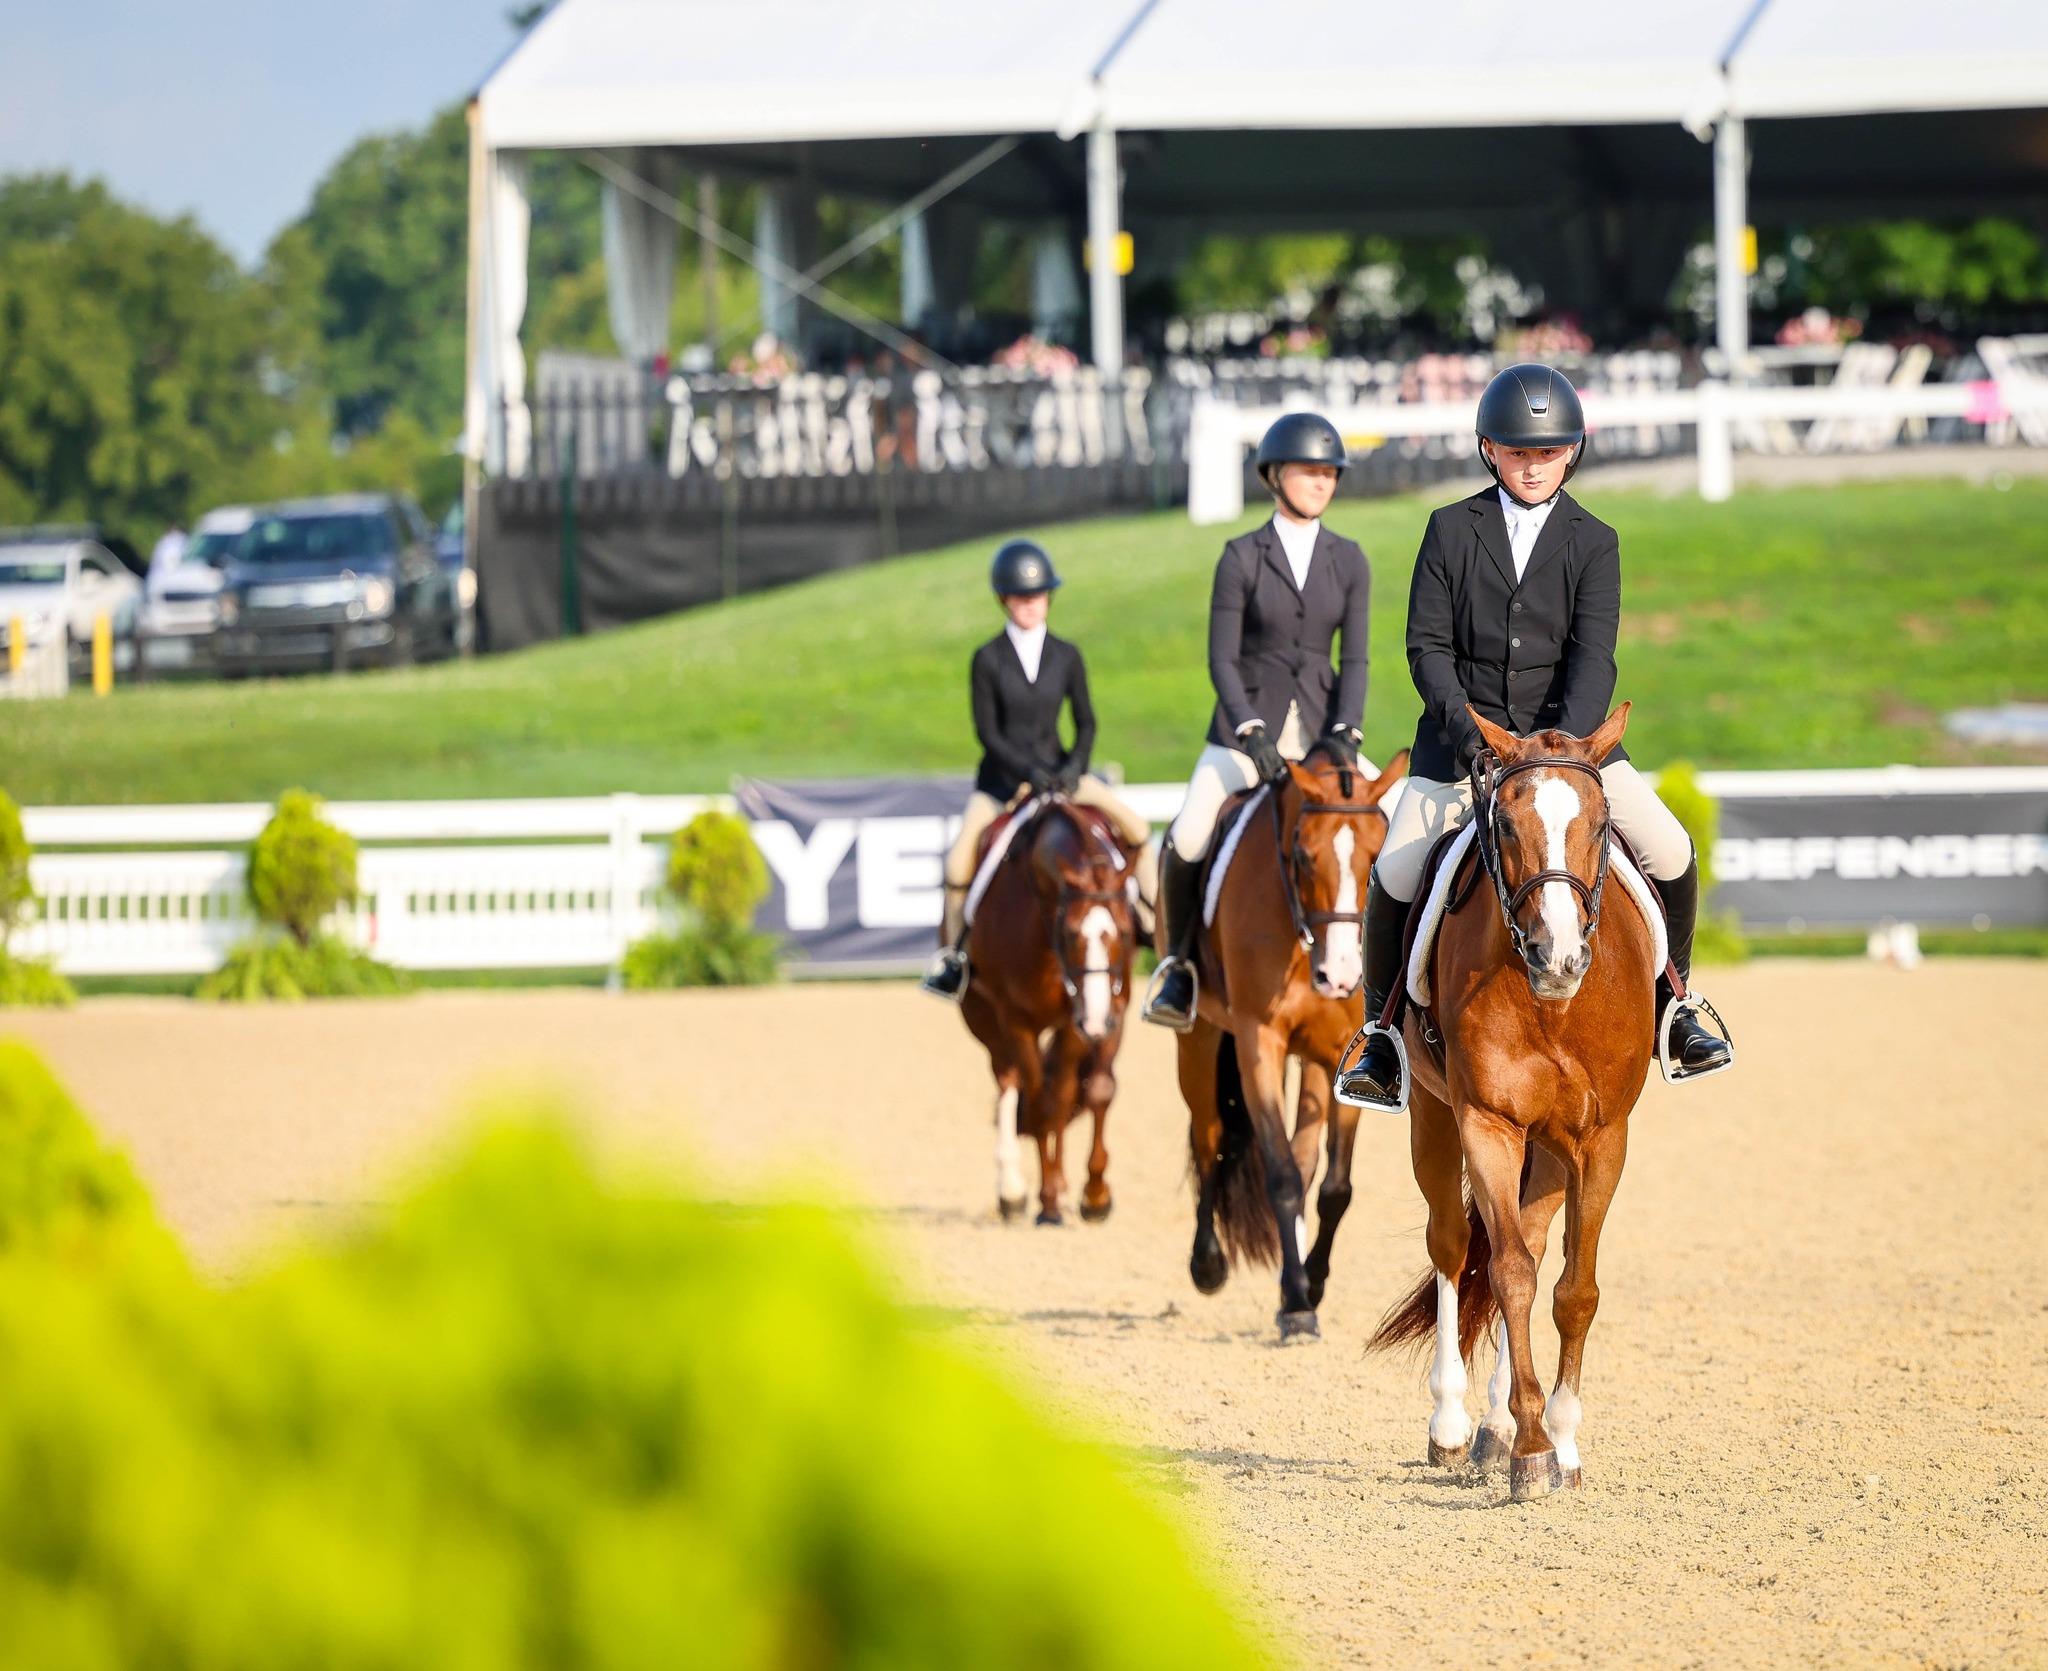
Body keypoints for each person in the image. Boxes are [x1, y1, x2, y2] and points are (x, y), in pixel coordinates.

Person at [1335, 362, 1734, 1109]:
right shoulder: (1451, 529)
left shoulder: (1596, 540)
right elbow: (1427, 649)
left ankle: (1677, 1007)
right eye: (1518, 451)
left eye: (1547, 452)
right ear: (1489, 449)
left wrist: (1565, 752)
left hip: (1574, 750)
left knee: (1673, 850)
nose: (1532, 464)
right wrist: (1475, 737)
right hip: (1463, 750)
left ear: (1572, 452)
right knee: (1394, 872)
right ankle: (1382, 1038)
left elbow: (1595, 657)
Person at [1142, 412, 1372, 1030]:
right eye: (1309, 470)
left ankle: (1394, 980)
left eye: (1330, 473)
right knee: (1189, 832)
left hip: (1326, 733)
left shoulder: (1349, 560)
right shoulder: (1242, 555)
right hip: (1247, 731)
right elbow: (1220, 658)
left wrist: (1348, 732)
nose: (1322, 482)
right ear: (1274, 476)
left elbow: (1354, 659)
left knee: (1389, 823)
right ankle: (1178, 970)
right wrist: (1249, 732)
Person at [921, 539, 1156, 1002]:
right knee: (958, 858)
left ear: (1049, 597)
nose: (1031, 604)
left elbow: (1086, 722)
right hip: (1003, 784)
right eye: (1022, 597)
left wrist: (1072, 770)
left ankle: (1154, 930)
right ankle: (955, 957)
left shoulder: (1067, 655)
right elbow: (988, 733)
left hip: (1064, 777)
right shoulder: (987, 659)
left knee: (1138, 830)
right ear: (1005, 600)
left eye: (1038, 595)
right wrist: (1028, 772)